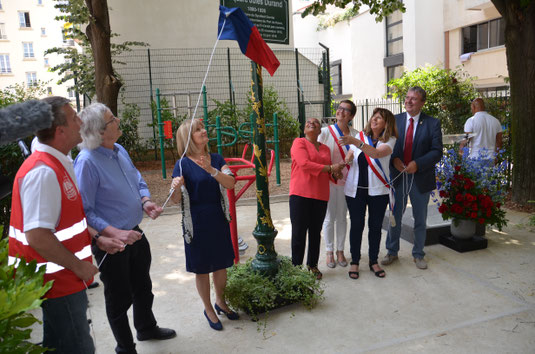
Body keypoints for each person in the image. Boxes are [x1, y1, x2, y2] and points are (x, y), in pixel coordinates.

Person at [74, 103, 175, 354]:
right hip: (112, 242)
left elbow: (137, 179)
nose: (118, 120)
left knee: (143, 287)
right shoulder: (86, 162)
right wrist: (109, 232)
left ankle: (146, 327)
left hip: (135, 232)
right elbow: (84, 212)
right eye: (112, 120)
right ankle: (125, 348)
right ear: (98, 132)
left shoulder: (118, 149)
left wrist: (145, 200)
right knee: (119, 299)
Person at [8, 96, 99, 353]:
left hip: (63, 279)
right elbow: (37, 236)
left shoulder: (56, 162)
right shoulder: (43, 172)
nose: (80, 121)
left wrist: (98, 238)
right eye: (74, 118)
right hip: (58, 281)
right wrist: (79, 267)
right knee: (77, 347)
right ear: (60, 131)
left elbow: (63, 221)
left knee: (60, 344)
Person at [169, 118, 238, 331]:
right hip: (196, 222)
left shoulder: (216, 158)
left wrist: (211, 170)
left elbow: (231, 182)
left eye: (203, 128)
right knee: (201, 268)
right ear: (188, 138)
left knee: (221, 264)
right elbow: (174, 200)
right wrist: (174, 187)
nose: (204, 131)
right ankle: (208, 308)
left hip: (217, 218)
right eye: (198, 130)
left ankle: (220, 302)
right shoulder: (181, 164)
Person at [382, 86, 443, 270]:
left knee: (419, 218)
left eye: (413, 99)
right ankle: (392, 251)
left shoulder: (432, 123)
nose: (408, 101)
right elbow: (385, 146)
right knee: (395, 216)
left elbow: (437, 151)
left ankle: (418, 254)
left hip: (420, 177)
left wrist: (418, 163)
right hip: (399, 176)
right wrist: (394, 160)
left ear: (422, 102)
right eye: (407, 98)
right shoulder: (395, 120)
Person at [339, 108, 398, 279]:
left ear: (387, 124)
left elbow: (377, 154)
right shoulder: (361, 138)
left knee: (375, 227)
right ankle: (355, 262)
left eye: (379, 118)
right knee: (356, 226)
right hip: (355, 190)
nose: (374, 120)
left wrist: (355, 142)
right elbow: (351, 154)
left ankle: (373, 261)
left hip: (378, 192)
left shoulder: (390, 140)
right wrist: (346, 160)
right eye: (374, 117)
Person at [289, 117, 344, 280]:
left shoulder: (326, 149)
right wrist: (329, 168)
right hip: (300, 194)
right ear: (304, 129)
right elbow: (304, 164)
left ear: (320, 131)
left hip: (320, 195)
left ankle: (312, 265)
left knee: (315, 233)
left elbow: (328, 173)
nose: (311, 123)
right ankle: (296, 268)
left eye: (316, 122)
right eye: (308, 122)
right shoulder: (299, 143)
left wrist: (335, 173)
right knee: (299, 233)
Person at [318, 100, 357, 269]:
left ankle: (340, 250)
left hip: (347, 181)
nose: (340, 111)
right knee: (329, 217)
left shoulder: (356, 134)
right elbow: (318, 154)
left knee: (342, 216)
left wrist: (345, 164)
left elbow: (356, 155)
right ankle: (329, 251)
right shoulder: (325, 132)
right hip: (328, 180)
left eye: (345, 110)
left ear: (351, 116)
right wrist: (332, 169)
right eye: (339, 108)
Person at [461, 98, 502, 166]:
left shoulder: (471, 121)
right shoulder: (496, 121)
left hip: (475, 157)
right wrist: (496, 156)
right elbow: (499, 142)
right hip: (491, 157)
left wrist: (461, 149)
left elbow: (466, 139)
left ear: (473, 107)